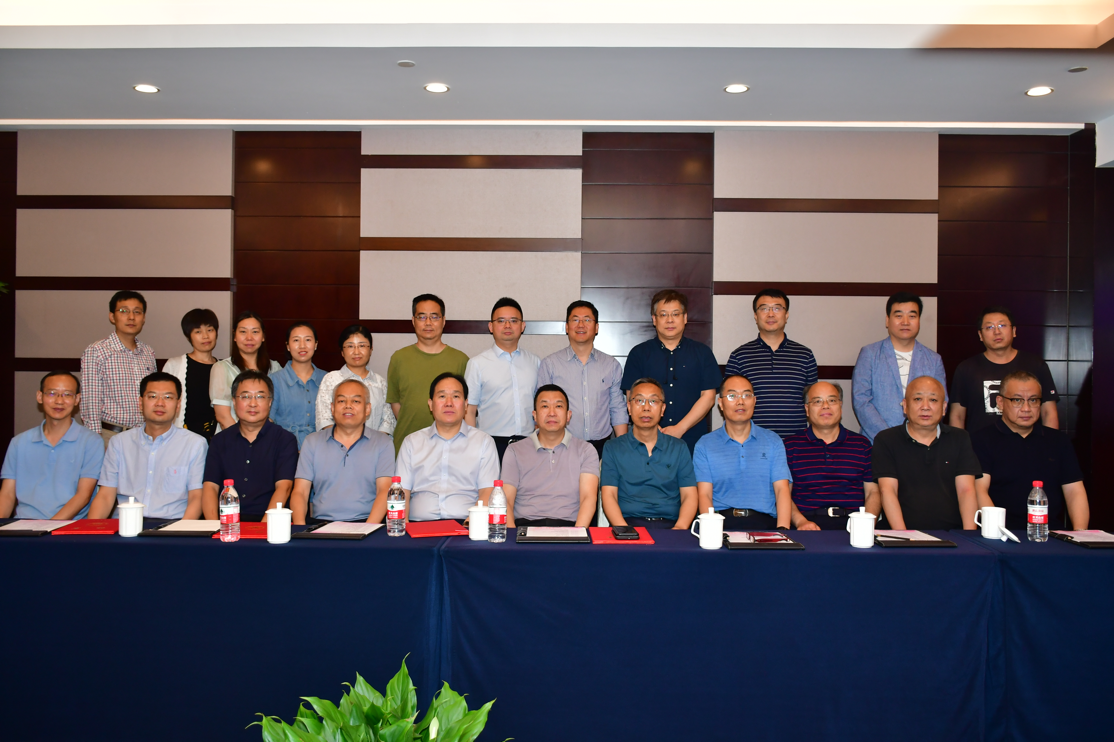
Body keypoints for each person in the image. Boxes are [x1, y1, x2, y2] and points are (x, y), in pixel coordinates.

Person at [971, 370, 1088, 531]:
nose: (1026, 408)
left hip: (1050, 533)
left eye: (1033, 400)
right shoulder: (981, 440)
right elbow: (979, 490)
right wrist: (998, 531)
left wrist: (1080, 534)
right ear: (1000, 402)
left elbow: (1074, 491)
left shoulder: (1059, 441)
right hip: (1001, 533)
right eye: (1017, 400)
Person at [693, 375, 813, 531]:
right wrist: (711, 531)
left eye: (746, 395)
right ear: (721, 403)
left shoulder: (773, 441)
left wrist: (782, 530)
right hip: (721, 523)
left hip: (765, 524)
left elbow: (782, 490)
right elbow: (704, 495)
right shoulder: (705, 444)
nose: (740, 401)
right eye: (732, 395)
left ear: (754, 401)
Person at [88, 372, 207, 520]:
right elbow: (105, 495)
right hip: (126, 524)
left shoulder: (195, 444)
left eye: (168, 397)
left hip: (173, 524)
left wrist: (180, 530)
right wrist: (91, 530)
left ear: (178, 405)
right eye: (152, 396)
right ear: (140, 402)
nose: (160, 403)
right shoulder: (119, 442)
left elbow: (196, 497)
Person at [872, 376, 980, 531]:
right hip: (900, 533)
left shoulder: (960, 438)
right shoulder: (886, 440)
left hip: (952, 533)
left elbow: (966, 491)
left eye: (933, 400)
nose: (925, 407)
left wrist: (968, 536)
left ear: (944, 407)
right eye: (918, 399)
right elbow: (888, 491)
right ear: (905, 406)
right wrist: (904, 537)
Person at [620, 290, 722, 454]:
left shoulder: (702, 353)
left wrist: (680, 428)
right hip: (647, 442)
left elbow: (708, 398)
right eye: (663, 314)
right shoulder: (638, 354)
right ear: (654, 319)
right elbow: (633, 398)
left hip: (692, 442)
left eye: (675, 314)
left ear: (685, 318)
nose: (669, 320)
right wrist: (654, 430)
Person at [395, 373, 500, 522]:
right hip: (418, 525)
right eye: (442, 396)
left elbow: (487, 491)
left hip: (466, 525)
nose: (449, 403)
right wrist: (402, 527)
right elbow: (401, 492)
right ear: (430, 404)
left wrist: (471, 525)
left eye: (456, 396)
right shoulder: (412, 442)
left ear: (466, 404)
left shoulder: (484, 442)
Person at [0, 371, 104, 520]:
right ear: (39, 397)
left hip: (69, 527)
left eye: (67, 394)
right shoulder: (19, 442)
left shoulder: (92, 442)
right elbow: (7, 494)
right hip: (24, 524)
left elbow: (83, 496)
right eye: (52, 393)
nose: (59, 401)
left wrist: (47, 528)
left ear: (77, 399)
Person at [291, 379, 396, 525]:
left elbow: (384, 490)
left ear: (367, 409)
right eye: (341, 401)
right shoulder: (312, 442)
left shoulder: (383, 443)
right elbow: (300, 492)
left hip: (367, 523)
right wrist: (300, 529)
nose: (348, 406)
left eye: (356, 401)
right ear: (332, 408)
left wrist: (365, 530)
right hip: (321, 524)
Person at [600, 377, 697, 530]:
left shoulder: (679, 447)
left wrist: (679, 529)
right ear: (629, 407)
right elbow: (609, 495)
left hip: (671, 526)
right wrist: (624, 531)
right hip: (628, 524)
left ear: (662, 409)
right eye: (639, 400)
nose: (646, 407)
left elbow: (689, 495)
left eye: (653, 401)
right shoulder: (613, 448)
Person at [202, 370, 298, 522]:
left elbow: (284, 487)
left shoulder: (285, 440)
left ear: (270, 402)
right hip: (226, 523)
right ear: (234, 402)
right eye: (245, 396)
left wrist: (262, 529)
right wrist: (215, 528)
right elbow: (210, 487)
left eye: (260, 396)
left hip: (269, 522)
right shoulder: (219, 441)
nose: (253, 403)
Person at [537, 300, 628, 459]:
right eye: (575, 320)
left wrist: (623, 448)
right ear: (567, 327)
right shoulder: (550, 364)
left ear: (596, 327)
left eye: (587, 319)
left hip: (602, 447)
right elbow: (541, 409)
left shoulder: (611, 365)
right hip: (561, 447)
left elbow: (617, 408)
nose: (581, 325)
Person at [852, 291, 947, 442]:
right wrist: (888, 438)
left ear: (919, 320)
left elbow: (940, 401)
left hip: (922, 442)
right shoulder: (870, 354)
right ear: (887, 320)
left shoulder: (933, 359)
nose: (905, 322)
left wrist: (917, 436)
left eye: (912, 316)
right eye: (899, 315)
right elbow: (861, 400)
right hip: (877, 441)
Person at [949, 306, 1060, 434]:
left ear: (1014, 331)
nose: (997, 332)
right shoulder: (966, 369)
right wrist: (959, 446)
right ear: (980, 335)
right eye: (989, 327)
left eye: (1002, 326)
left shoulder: (1036, 365)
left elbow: (1048, 412)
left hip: (1028, 443)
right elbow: (957, 416)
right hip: (979, 445)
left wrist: (1051, 443)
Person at [501, 384, 600, 528]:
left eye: (558, 406)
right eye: (545, 406)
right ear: (535, 415)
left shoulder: (586, 450)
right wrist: (511, 537)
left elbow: (588, 499)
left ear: (568, 415)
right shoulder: (514, 451)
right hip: (525, 527)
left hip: (570, 527)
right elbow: (506, 501)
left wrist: (576, 535)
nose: (552, 413)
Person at [784, 381, 879, 530]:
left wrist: (866, 525)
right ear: (807, 409)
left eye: (832, 400)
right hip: (806, 525)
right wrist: (800, 522)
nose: (826, 406)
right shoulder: (790, 446)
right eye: (817, 401)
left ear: (840, 406)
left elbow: (873, 492)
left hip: (853, 524)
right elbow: (783, 494)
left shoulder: (862, 444)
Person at [724, 288, 818, 438]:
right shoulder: (739, 356)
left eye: (777, 308)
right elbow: (729, 402)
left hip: (796, 442)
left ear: (786, 315)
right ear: (756, 316)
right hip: (751, 441)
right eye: (764, 309)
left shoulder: (805, 355)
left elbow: (813, 403)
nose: (771, 314)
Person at [386, 294, 470, 455]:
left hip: (451, 446)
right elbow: (395, 403)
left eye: (434, 317)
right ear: (413, 321)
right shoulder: (399, 358)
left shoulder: (461, 360)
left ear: (443, 321)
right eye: (422, 317)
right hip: (407, 444)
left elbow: (466, 406)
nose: (428, 322)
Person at [465, 297, 541, 460]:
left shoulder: (535, 362)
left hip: (528, 444)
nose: (507, 325)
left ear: (522, 326)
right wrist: (473, 445)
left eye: (513, 321)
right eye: (501, 321)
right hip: (491, 444)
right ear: (491, 326)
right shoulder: (477, 364)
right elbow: (469, 411)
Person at [80, 290, 158, 446]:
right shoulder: (97, 351)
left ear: (143, 318)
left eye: (137, 312)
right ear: (112, 316)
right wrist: (95, 442)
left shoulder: (148, 352)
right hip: (110, 436)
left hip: (143, 435)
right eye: (124, 311)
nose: (131, 317)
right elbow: (90, 402)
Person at [316, 324, 396, 437]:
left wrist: (373, 443)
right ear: (342, 351)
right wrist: (343, 442)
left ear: (371, 349)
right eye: (350, 346)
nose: (356, 352)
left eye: (362, 345)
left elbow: (388, 421)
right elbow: (324, 419)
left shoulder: (380, 382)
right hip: (337, 445)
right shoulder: (331, 379)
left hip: (375, 445)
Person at [209, 311, 282, 432]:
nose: (249, 337)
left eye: (255, 332)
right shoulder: (221, 368)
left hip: (268, 438)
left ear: (263, 336)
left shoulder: (275, 368)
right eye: (243, 332)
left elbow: (278, 410)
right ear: (235, 336)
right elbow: (223, 417)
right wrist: (245, 440)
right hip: (232, 437)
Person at [162, 308, 219, 441]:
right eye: (198, 331)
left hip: (215, 440)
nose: (205, 336)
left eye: (210, 330)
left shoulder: (223, 367)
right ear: (188, 336)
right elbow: (164, 403)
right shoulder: (175, 365)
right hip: (182, 439)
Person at [269, 322, 327, 449]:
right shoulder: (274, 380)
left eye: (308, 340)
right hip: (284, 449)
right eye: (296, 340)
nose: (302, 346)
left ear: (316, 344)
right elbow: (268, 422)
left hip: (321, 450)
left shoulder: (327, 379)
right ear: (288, 346)